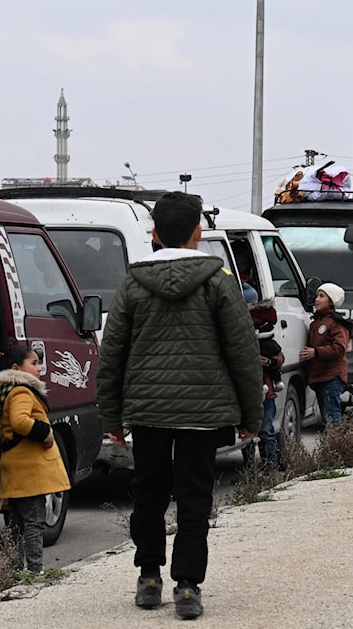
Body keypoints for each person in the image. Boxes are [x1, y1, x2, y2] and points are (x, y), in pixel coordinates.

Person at [97, 191, 262, 620]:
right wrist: (251, 414)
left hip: (148, 412)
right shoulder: (219, 282)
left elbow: (112, 355)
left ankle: (149, 577)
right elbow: (243, 353)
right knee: (194, 498)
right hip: (203, 414)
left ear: (154, 234)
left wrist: (112, 416)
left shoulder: (133, 284)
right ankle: (187, 586)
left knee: (148, 494)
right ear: (198, 233)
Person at [0, 345, 70, 574]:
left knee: (17, 522)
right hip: (30, 468)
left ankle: (16, 569)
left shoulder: (8, 391)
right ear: (16, 368)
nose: (39, 368)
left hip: (16, 466)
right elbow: (20, 421)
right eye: (34, 363)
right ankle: (34, 570)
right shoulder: (21, 391)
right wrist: (45, 433)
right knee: (34, 521)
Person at [244, 282, 284, 471]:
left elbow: (278, 357)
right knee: (247, 435)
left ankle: (270, 468)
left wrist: (268, 362)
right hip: (248, 391)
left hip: (265, 392)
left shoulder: (264, 330)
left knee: (266, 430)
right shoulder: (242, 326)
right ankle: (250, 470)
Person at [299, 283, 352, 425]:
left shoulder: (336, 323)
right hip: (320, 376)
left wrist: (316, 352)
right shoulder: (316, 323)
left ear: (331, 301)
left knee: (332, 416)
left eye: (322, 296)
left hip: (331, 376)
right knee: (326, 416)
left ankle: (338, 439)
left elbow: (339, 348)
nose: (317, 299)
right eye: (317, 295)